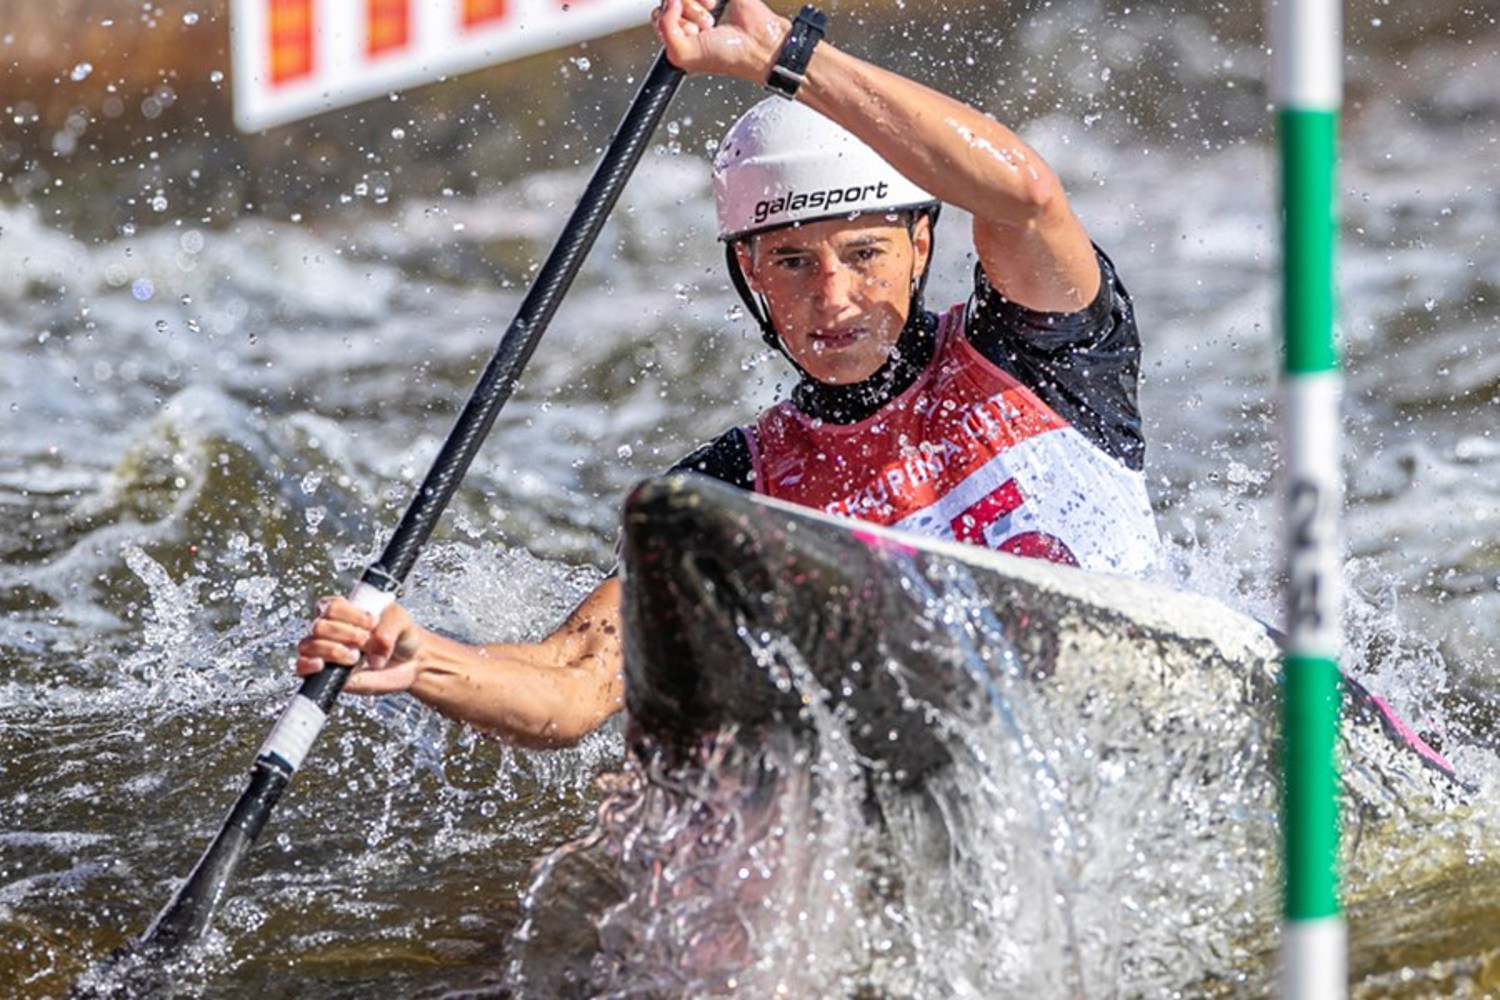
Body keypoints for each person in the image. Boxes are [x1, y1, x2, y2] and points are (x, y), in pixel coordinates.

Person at [295, 0, 1160, 748]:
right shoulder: (733, 493)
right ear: (749, 273)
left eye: (865, 253)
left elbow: (1024, 195)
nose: (833, 297)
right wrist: (422, 661)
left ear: (921, 242)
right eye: (790, 263)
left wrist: (785, 56)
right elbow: (572, 687)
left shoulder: (1037, 350)